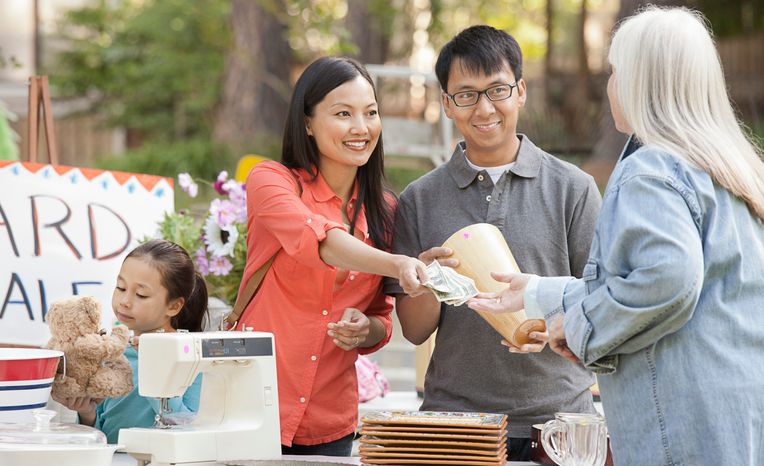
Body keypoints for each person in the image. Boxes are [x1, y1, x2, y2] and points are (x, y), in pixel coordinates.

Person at [468, 7, 764, 466]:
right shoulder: (729, 169)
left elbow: (666, 279)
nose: (610, 86)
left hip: (681, 424)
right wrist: (539, 294)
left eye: (614, 71)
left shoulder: (651, 170)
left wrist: (580, 325)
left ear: (642, 81)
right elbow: (659, 281)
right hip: (736, 414)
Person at [383, 25, 602, 461]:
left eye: (497, 90)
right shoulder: (419, 199)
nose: (484, 108)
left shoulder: (573, 188)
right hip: (455, 422)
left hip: (558, 423)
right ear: (446, 104)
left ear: (520, 91)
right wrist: (424, 282)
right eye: (466, 94)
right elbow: (415, 330)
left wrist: (555, 329)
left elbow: (600, 298)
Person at [239, 56, 428, 456]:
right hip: (250, 410)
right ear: (307, 122)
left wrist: (366, 329)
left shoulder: (386, 211)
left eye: (371, 113)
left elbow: (381, 318)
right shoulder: (271, 181)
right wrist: (395, 262)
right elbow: (320, 241)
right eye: (343, 114)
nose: (361, 128)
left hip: (333, 423)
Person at [54, 239, 207, 443]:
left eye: (141, 295)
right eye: (121, 287)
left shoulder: (190, 356)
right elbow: (103, 431)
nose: (125, 302)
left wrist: (152, 367)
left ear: (173, 306)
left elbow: (186, 426)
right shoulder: (113, 351)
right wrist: (87, 412)